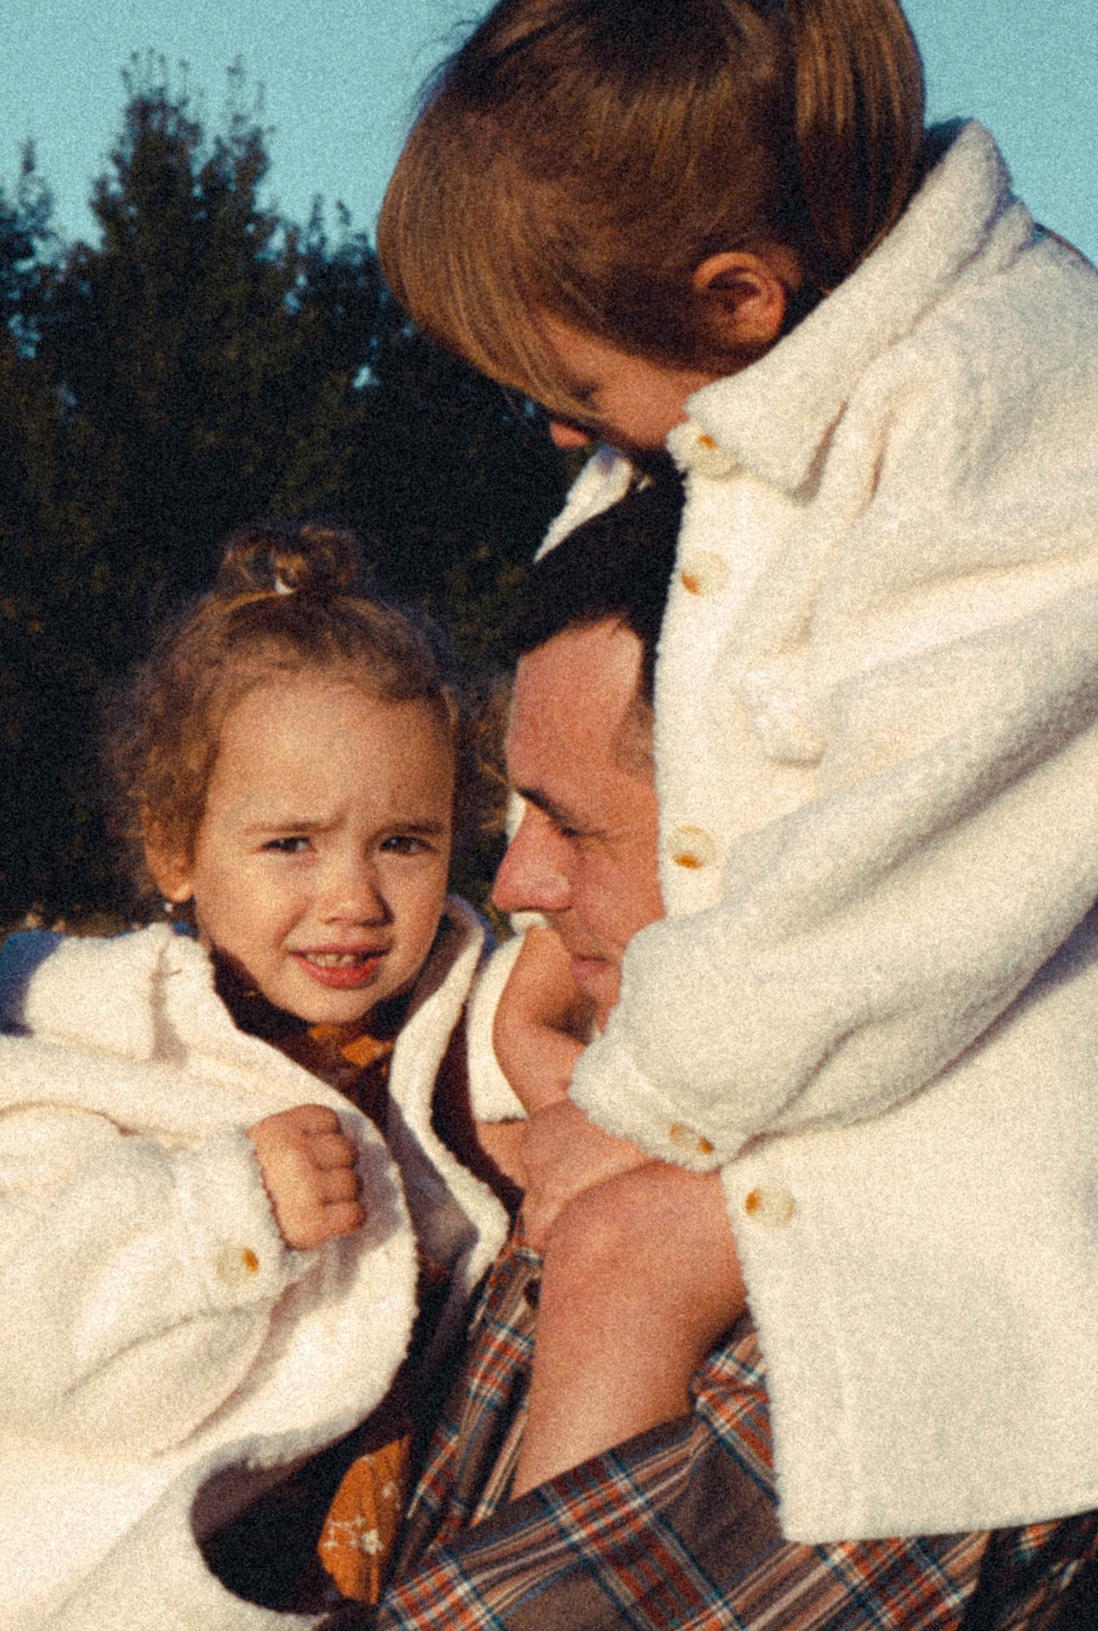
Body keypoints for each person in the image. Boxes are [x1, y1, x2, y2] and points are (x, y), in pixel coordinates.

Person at [178, 480, 1098, 1631]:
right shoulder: (663, 1130)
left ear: (802, 843)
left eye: (574, 827)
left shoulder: (899, 1319)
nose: (512, 885)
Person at [376, 0, 1098, 1543]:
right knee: (583, 1242)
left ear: (740, 300)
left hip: (1010, 1111)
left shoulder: (1005, 407)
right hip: (857, 1057)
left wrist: (651, 1095)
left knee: (627, 1250)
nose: (561, 427)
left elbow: (914, 855)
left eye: (568, 380)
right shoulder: (756, 414)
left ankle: (538, 1624)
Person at [0, 525, 529, 1631]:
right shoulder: (91, 1064)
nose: (352, 899)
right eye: (290, 845)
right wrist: (219, 1215)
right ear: (175, 848)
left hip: (338, 1619)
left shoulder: (443, 1037)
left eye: (403, 843)